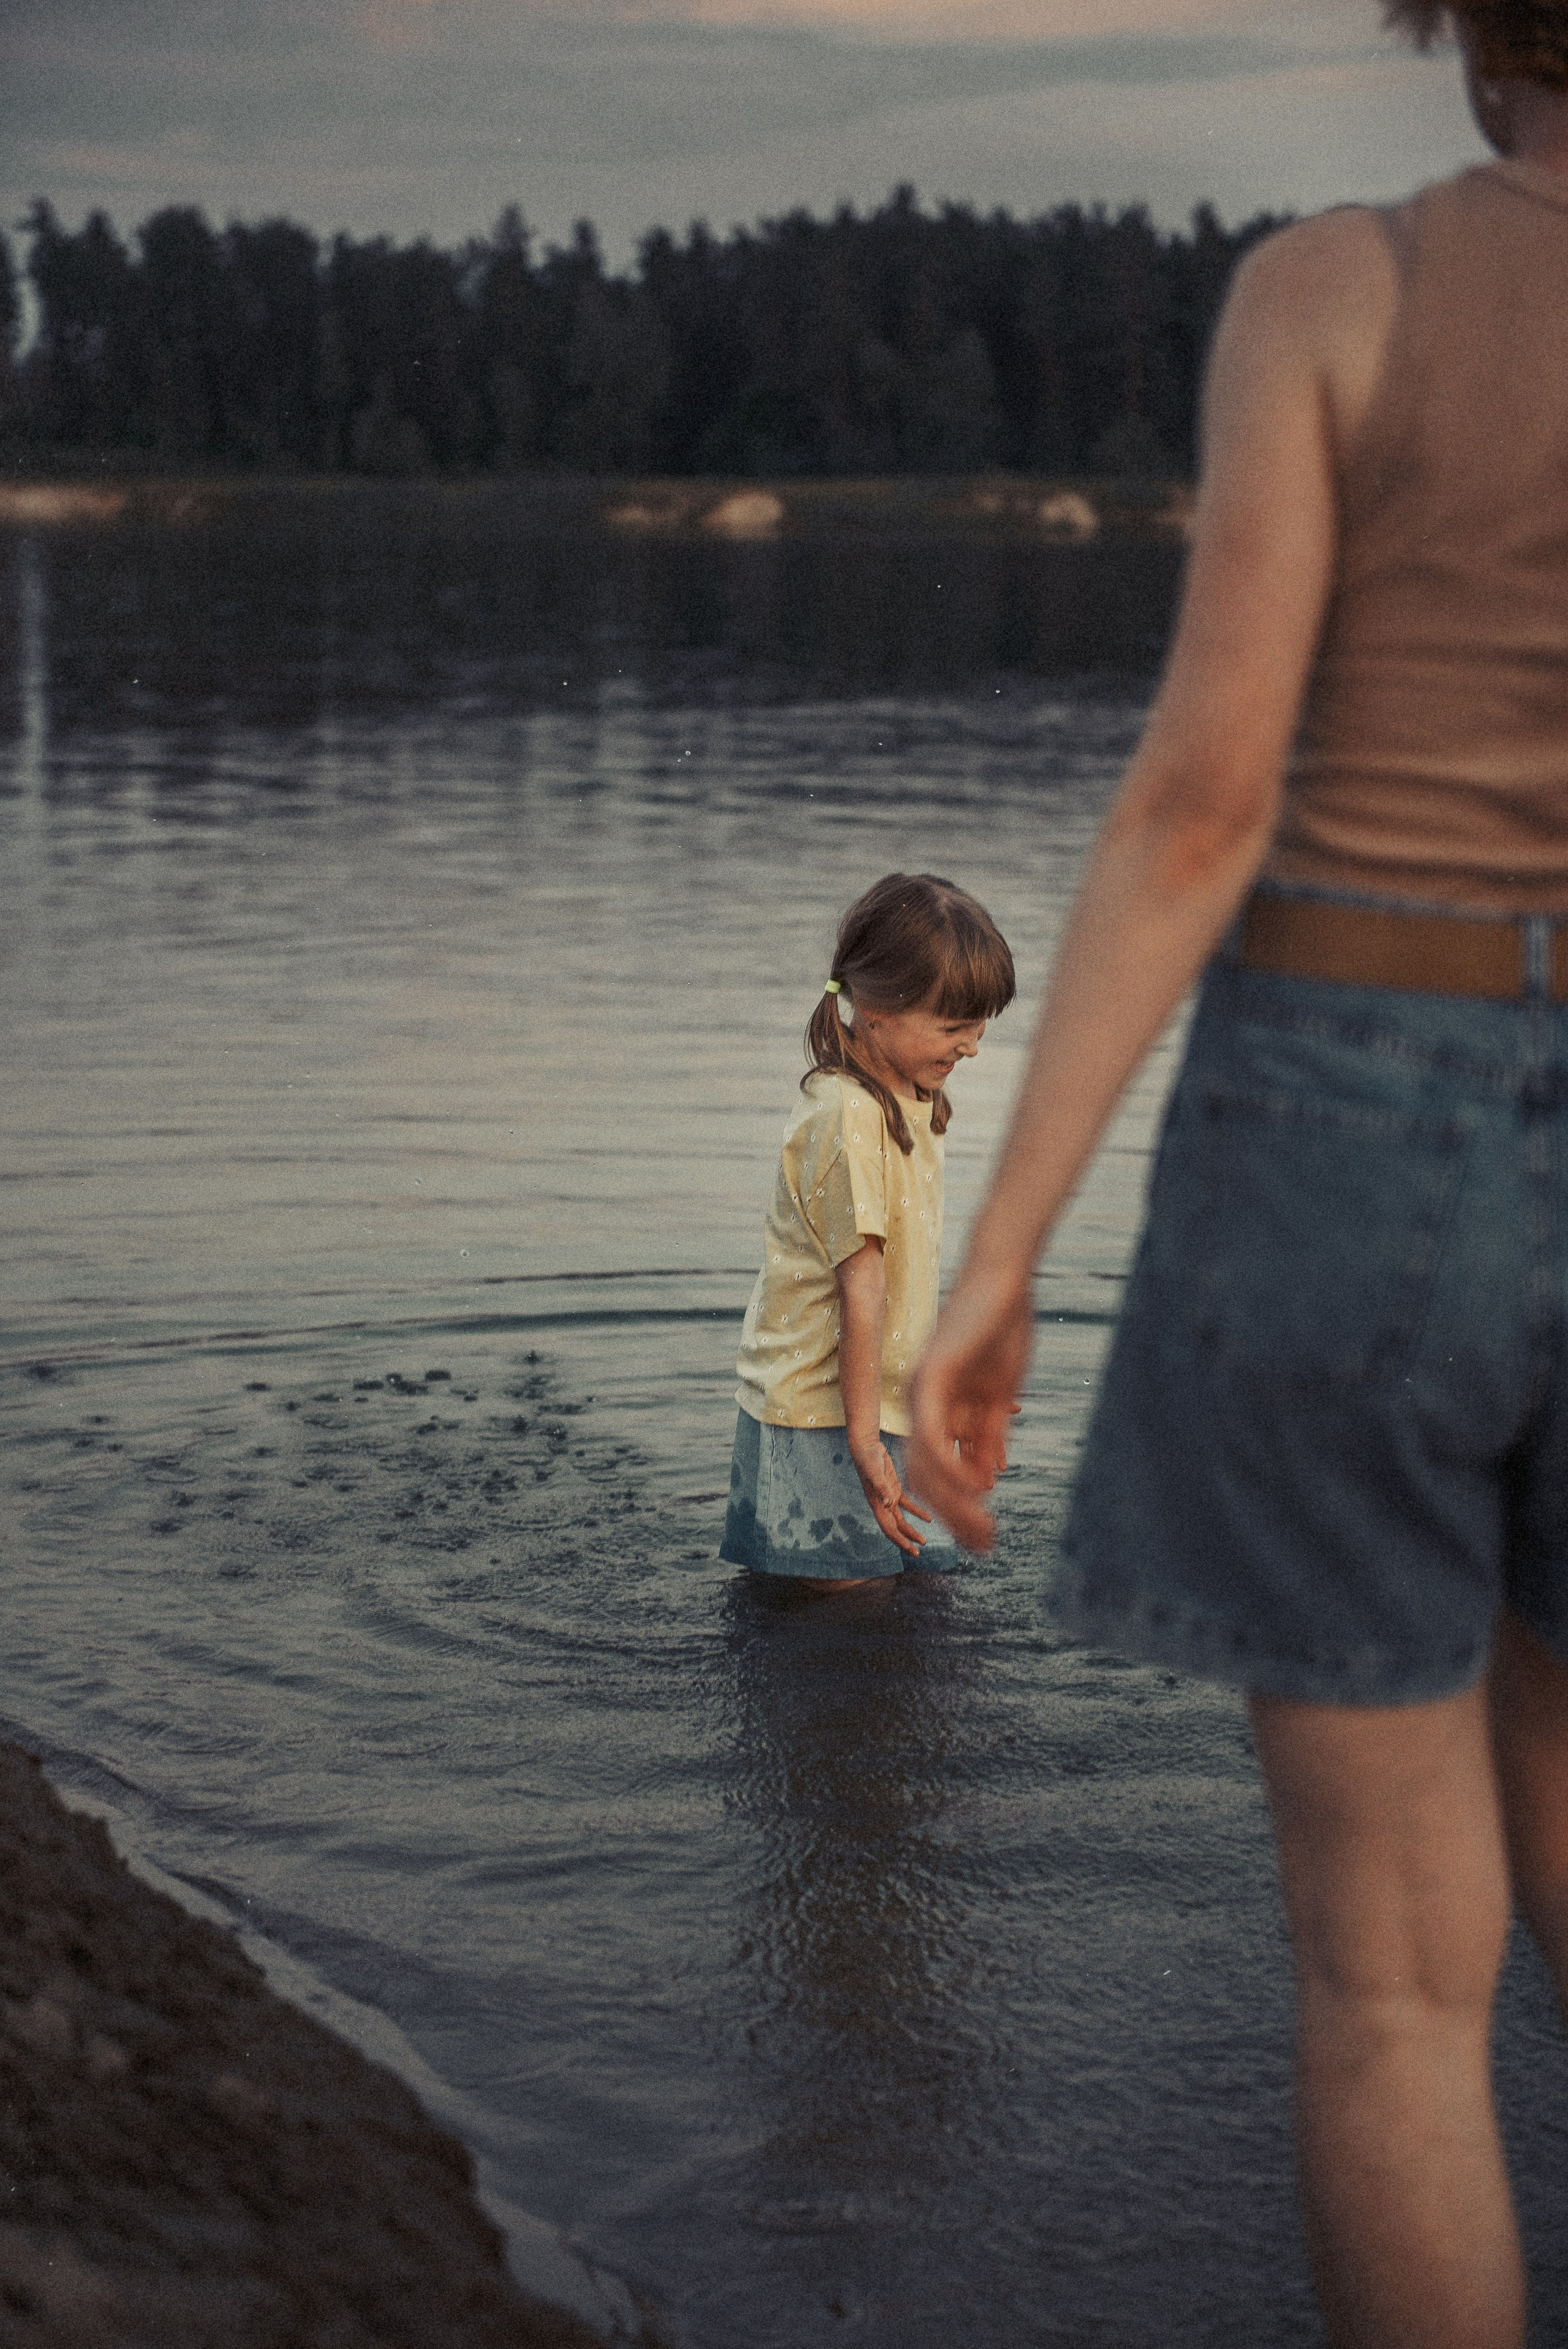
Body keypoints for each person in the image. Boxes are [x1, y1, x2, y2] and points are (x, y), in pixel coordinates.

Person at [906, 7, 1568, 2344]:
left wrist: (997, 1251)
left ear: (1475, 30)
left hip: (1341, 1126)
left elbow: (1198, 803)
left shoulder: (1332, 289)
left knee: (1392, 1988)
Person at [720, 872, 1014, 1593]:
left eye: (981, 1025)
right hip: (824, 1413)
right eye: (953, 1027)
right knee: (839, 1614)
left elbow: (913, 1276)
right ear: (876, 1009)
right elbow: (864, 1287)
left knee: (902, 1608)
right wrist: (861, 1442)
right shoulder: (849, 1116)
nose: (972, 1047)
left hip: (882, 1399)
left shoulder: (913, 1095)